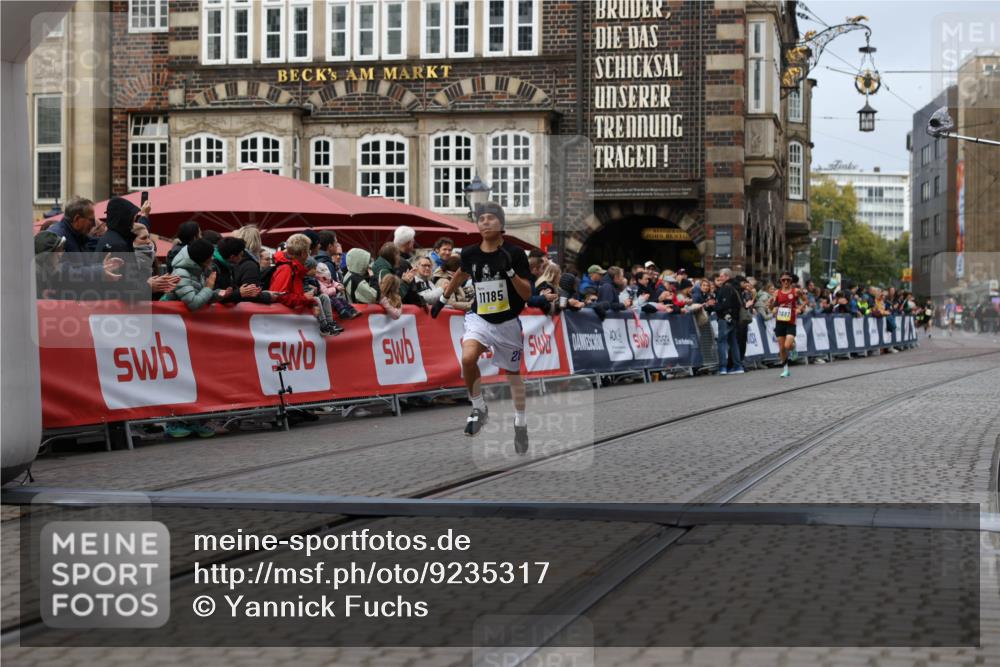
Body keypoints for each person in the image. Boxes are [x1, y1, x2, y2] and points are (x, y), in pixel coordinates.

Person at [429, 201, 532, 454]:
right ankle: (479, 407)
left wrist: (509, 271)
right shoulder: (470, 252)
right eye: (481, 218)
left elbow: (527, 293)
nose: (484, 221)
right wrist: (443, 299)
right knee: (467, 357)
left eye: (490, 218)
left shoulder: (515, 253)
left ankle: (520, 422)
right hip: (480, 317)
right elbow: (462, 274)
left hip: (508, 322)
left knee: (513, 376)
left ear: (501, 223)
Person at [270, 233, 340, 336]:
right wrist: (305, 299)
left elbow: (298, 293)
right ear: (303, 253)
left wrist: (311, 303)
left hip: (291, 325)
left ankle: (327, 325)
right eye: (308, 251)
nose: (309, 255)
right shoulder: (286, 269)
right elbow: (279, 295)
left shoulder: (295, 269)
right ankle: (325, 326)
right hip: (284, 327)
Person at [710, 268, 744, 375]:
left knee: (722, 342)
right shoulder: (736, 287)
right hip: (734, 318)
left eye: (721, 276)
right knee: (733, 342)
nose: (719, 278)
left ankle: (723, 367)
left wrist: (714, 305)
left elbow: (724, 304)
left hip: (725, 318)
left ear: (727, 277)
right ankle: (738, 366)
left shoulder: (725, 288)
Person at [772, 271, 804, 378]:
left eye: (788, 280)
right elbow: (770, 305)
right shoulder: (777, 293)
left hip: (791, 321)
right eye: (783, 280)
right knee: (781, 348)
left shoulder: (796, 291)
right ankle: (785, 370)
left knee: (787, 345)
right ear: (780, 281)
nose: (786, 282)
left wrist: (799, 309)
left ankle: (793, 348)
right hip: (780, 321)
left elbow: (805, 301)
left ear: (791, 281)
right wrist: (773, 309)